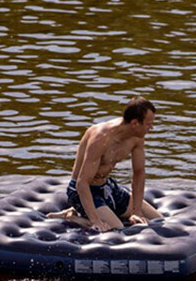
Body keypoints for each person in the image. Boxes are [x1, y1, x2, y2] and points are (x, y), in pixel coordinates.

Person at [49, 96, 163, 232]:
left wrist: (136, 211)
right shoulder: (101, 138)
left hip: (106, 187)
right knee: (117, 229)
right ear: (134, 123)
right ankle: (72, 218)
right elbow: (82, 182)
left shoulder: (137, 138)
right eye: (148, 124)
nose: (152, 128)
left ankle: (93, 212)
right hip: (83, 190)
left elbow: (139, 173)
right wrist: (95, 220)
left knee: (158, 219)